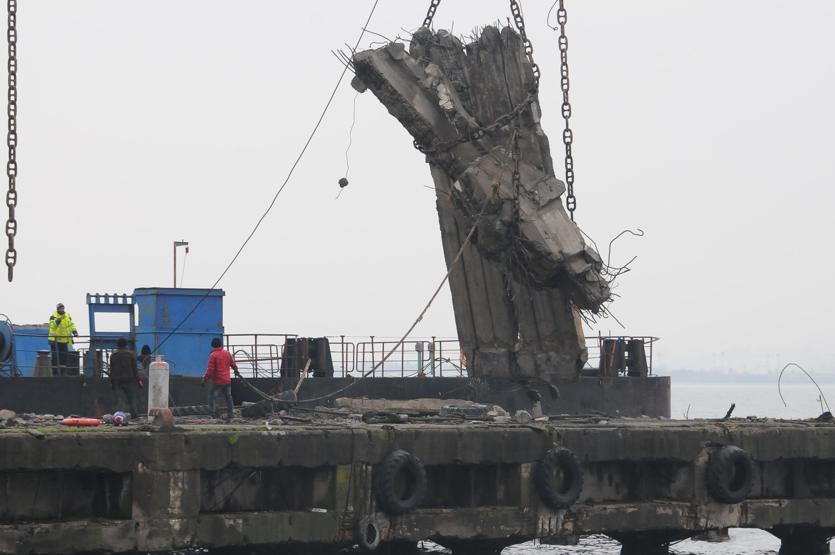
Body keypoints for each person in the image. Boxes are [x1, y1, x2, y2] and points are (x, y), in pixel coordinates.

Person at [202, 337, 240, 421]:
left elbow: (210, 370)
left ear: (213, 345)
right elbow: (233, 364)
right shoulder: (227, 353)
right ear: (220, 345)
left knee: (212, 397)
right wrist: (236, 371)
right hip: (227, 381)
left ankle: (212, 414)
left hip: (218, 382)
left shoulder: (213, 355)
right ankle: (231, 414)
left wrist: (204, 379)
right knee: (228, 397)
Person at [109, 337, 141, 419]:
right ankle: (134, 416)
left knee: (119, 400)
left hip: (117, 381)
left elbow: (111, 370)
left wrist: (112, 383)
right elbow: (135, 369)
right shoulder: (130, 354)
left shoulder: (113, 355)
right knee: (131, 399)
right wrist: (138, 380)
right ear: (126, 345)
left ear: (117, 345)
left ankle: (117, 417)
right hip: (129, 380)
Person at [48, 302, 78, 376]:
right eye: (60, 308)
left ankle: (62, 373)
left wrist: (75, 332)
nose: (62, 309)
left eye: (63, 308)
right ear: (57, 309)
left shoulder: (67, 315)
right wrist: (59, 319)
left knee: (64, 357)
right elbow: (53, 326)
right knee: (55, 357)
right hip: (55, 340)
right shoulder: (53, 316)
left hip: (64, 341)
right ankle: (55, 373)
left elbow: (72, 324)